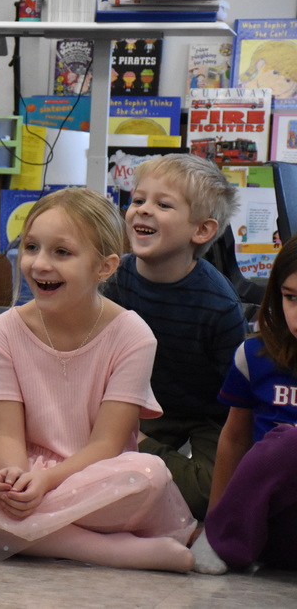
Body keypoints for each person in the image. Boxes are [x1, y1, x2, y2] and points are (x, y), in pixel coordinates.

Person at [0, 188, 197, 572]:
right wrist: (14, 478)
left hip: (94, 472)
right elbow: (7, 435)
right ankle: (102, 549)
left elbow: (108, 445)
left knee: (147, 475)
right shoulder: (4, 331)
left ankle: (15, 534)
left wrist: (47, 484)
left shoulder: (133, 335)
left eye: (62, 252)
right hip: (25, 464)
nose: (39, 264)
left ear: (105, 267)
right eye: (31, 247)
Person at [103, 154, 246, 520]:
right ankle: (134, 454)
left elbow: (238, 392)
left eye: (162, 204)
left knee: (208, 494)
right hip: (142, 402)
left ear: (201, 231)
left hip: (208, 413)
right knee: (86, 459)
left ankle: (135, 451)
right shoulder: (114, 279)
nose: (142, 210)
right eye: (137, 200)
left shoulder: (219, 305)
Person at [191, 235, 297, 574]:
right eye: (291, 298)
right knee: (289, 441)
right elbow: (234, 439)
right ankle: (224, 539)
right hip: (275, 529)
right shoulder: (254, 357)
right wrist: (214, 521)